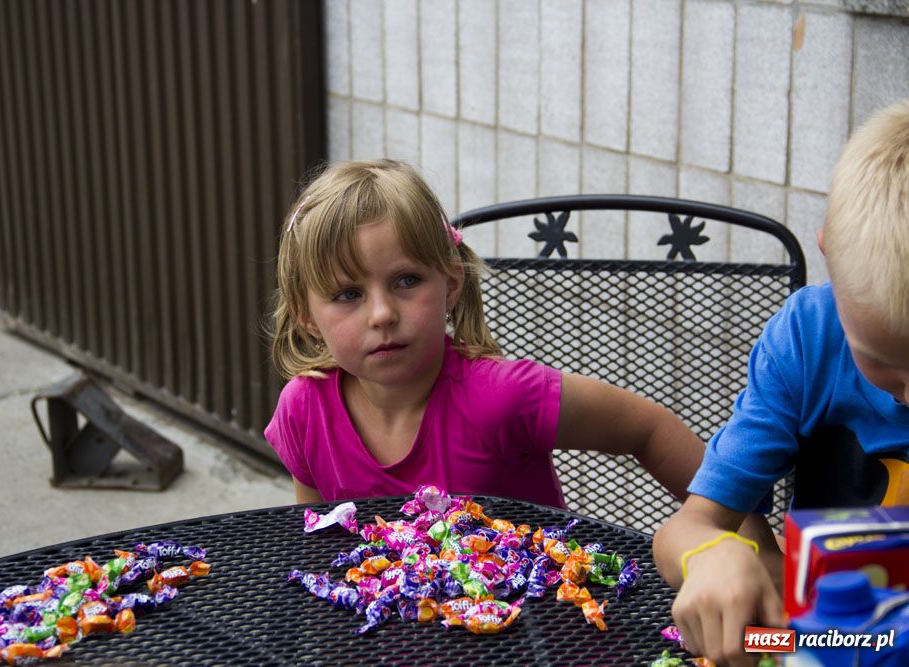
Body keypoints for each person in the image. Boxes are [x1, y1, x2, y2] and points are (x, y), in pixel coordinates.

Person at [264, 158, 705, 507]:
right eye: (347, 294)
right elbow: (319, 543)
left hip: (540, 619)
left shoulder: (502, 399)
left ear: (451, 283)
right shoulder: (303, 412)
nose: (381, 314)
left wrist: (741, 539)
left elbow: (648, 429)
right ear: (306, 315)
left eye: (407, 281)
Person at [653, 99, 909, 667]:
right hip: (814, 642)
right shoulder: (808, 339)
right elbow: (685, 528)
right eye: (884, 364)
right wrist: (713, 555)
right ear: (829, 262)